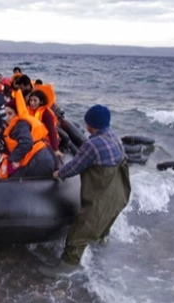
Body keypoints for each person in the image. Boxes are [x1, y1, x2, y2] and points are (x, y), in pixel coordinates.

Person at [39, 105, 131, 278]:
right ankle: (100, 247)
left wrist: (59, 173)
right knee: (105, 221)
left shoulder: (92, 144)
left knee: (80, 230)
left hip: (101, 194)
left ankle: (68, 266)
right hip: (119, 193)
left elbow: (76, 165)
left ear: (91, 124)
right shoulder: (114, 137)